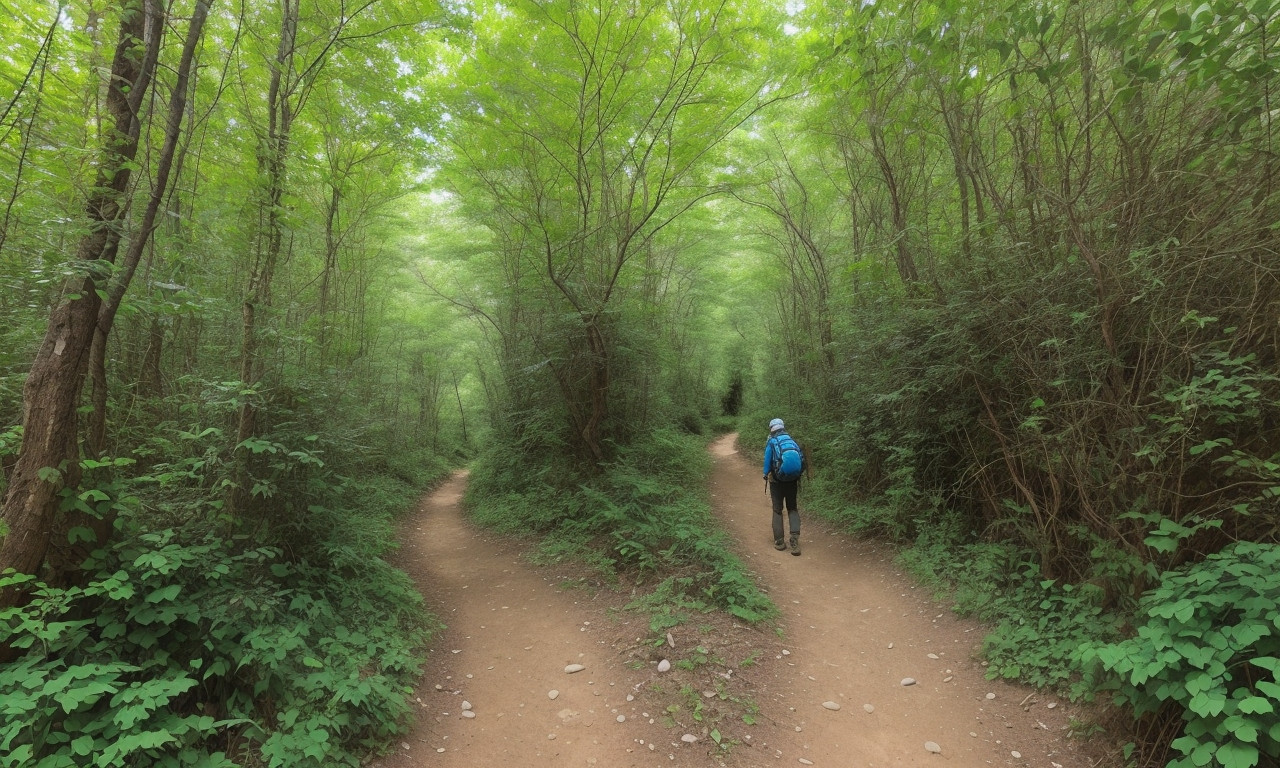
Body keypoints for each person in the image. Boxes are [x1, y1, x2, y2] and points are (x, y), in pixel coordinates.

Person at [763, 418, 805, 556]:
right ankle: (794, 540)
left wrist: (765, 474)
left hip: (776, 481)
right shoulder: (791, 440)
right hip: (792, 480)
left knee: (777, 509)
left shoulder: (772, 442)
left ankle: (780, 542)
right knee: (792, 507)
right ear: (783, 428)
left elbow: (767, 461)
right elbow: (801, 458)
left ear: (771, 429)